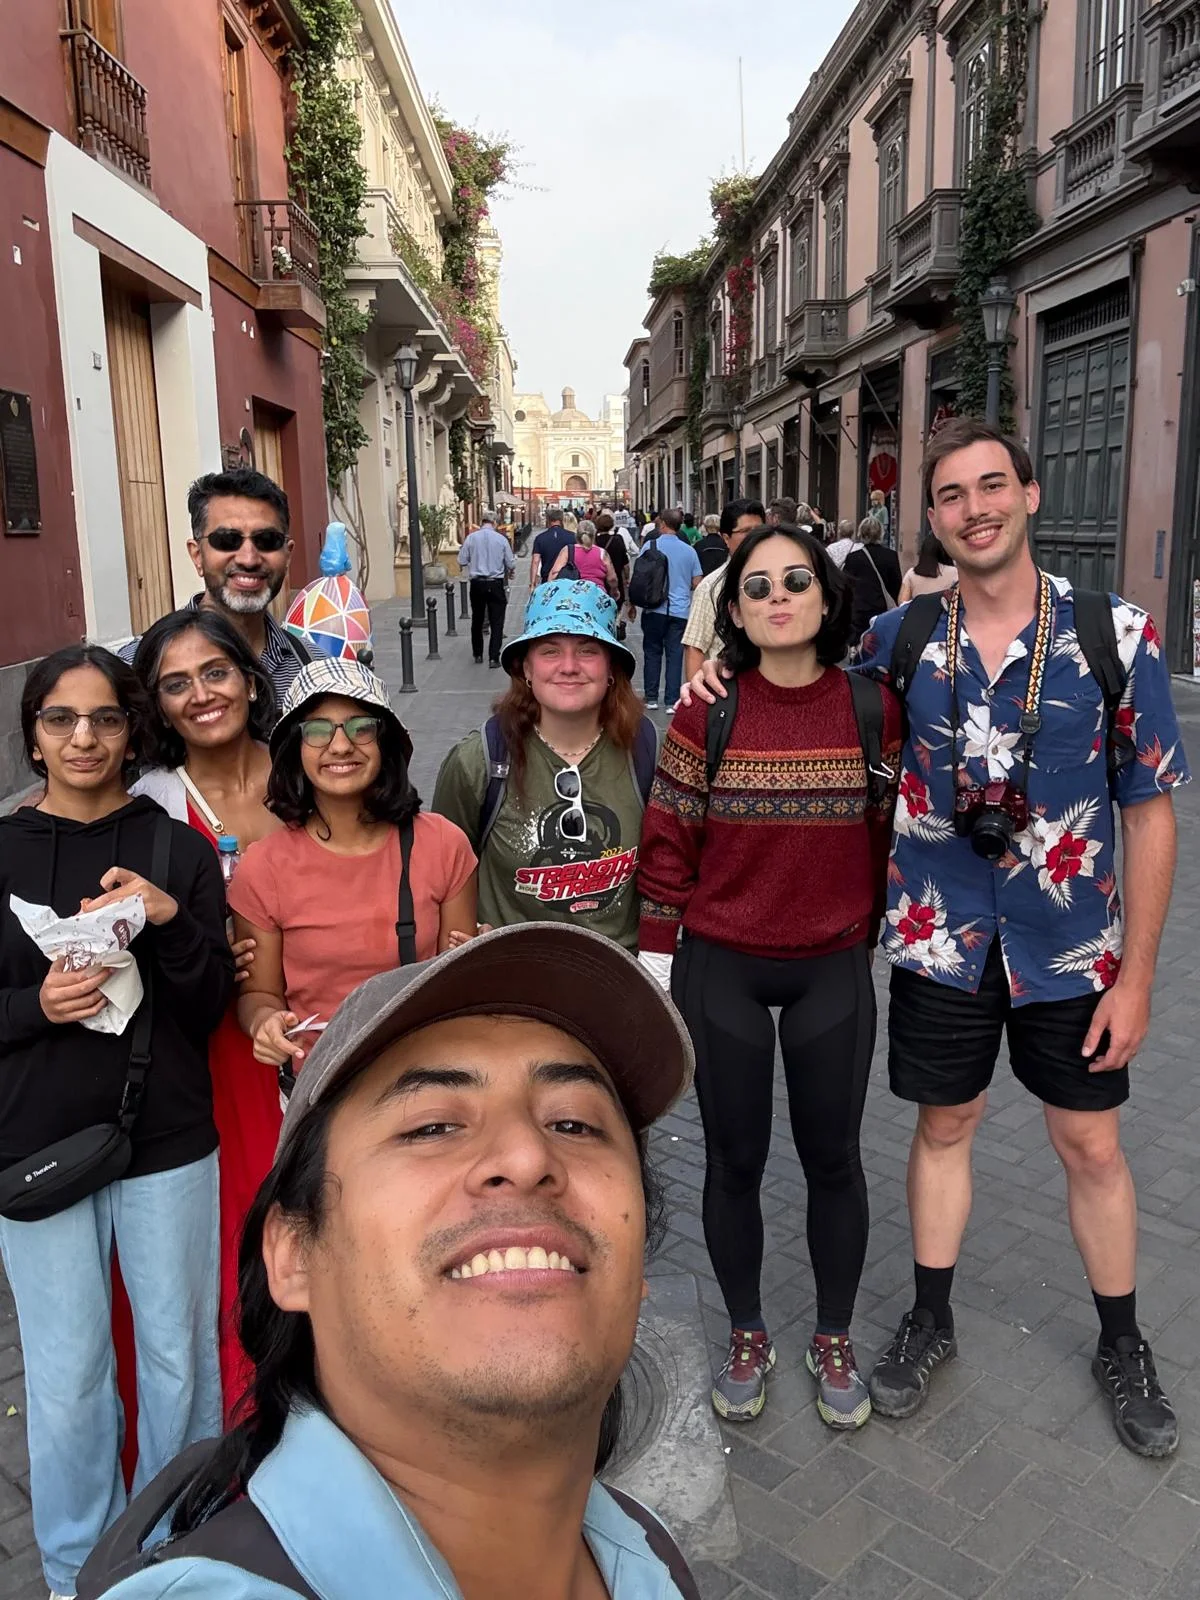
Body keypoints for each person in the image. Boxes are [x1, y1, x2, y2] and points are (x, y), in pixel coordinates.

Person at [82, 924, 701, 1600]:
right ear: (294, 1255)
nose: (528, 1157)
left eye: (575, 1124)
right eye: (433, 1126)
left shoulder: (651, 1557)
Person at [849, 418, 1189, 1457]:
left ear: (1030, 495)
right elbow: (801, 699)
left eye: (993, 485)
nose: (976, 509)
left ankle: (1122, 1342)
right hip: (939, 938)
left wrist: (1138, 978)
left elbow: (1150, 812)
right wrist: (711, 677)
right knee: (945, 1125)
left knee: (1091, 1143)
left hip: (1073, 948)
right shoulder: (899, 639)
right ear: (935, 517)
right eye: (952, 495)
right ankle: (932, 1317)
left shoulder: (1115, 635)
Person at [639, 527, 900, 1430]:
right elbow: (668, 837)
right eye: (756, 587)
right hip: (723, 966)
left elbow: (888, 825)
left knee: (835, 1159)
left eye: (796, 580)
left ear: (826, 598)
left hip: (832, 966)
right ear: (736, 613)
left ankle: (834, 1335)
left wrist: (871, 930)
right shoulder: (705, 711)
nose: (778, 597)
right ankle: (747, 1331)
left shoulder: (873, 708)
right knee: (734, 1161)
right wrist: (658, 955)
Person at [0, 644, 233, 1597]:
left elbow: (209, 1006)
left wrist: (171, 920)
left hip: (166, 1138)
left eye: (105, 718)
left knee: (179, 1359)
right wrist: (34, 1007)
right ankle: (74, 1572)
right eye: (61, 719)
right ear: (34, 736)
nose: (84, 737)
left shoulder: (176, 848)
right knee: (67, 1378)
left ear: (133, 731)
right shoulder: (2, 849)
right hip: (36, 1143)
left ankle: (171, 1552)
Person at [130, 608, 284, 1417]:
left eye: (216, 672)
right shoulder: (150, 807)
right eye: (176, 684)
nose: (201, 694)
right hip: (214, 1056)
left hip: (318, 1031)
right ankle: (241, 1422)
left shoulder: (311, 767)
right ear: (156, 706)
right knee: (240, 1235)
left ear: (250, 681)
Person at [229, 659, 477, 1083]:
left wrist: (474, 964)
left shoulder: (443, 845)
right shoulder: (263, 867)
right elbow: (259, 993)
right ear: (295, 748)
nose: (341, 746)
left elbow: (455, 983)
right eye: (318, 730)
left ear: (385, 741)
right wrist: (265, 1023)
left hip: (426, 1076)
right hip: (323, 1085)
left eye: (361, 728)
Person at [433, 582, 655, 952]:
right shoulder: (479, 762)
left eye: (587, 651)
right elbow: (443, 877)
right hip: (515, 976)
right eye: (550, 651)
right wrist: (467, 936)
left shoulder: (647, 752)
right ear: (526, 669)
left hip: (620, 976)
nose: (569, 667)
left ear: (611, 669)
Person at [119, 469, 310, 702]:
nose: (249, 559)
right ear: (197, 555)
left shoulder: (313, 667)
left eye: (267, 540)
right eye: (227, 540)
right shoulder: (132, 669)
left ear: (287, 555)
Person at [681, 498, 767, 682]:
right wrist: (695, 694)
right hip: (728, 687)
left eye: (759, 530)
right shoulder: (711, 587)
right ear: (726, 538)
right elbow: (695, 647)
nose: (755, 538)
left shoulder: (779, 582)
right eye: (746, 532)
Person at [638, 509, 703, 711]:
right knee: (675, 655)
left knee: (652, 652)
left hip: (654, 608)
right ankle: (671, 700)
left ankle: (651, 697)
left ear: (663, 524)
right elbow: (697, 582)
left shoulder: (649, 546)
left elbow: (640, 576)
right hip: (680, 610)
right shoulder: (689, 551)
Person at [458, 508, 516, 669]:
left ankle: (477, 654)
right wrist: (510, 569)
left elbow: (462, 560)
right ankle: (493, 658)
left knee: (477, 618)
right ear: (495, 522)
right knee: (497, 621)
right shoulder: (501, 539)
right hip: (495, 583)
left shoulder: (471, 538)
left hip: (477, 584)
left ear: (482, 522)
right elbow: (510, 563)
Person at [844, 515, 902, 647]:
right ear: (881, 533)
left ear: (861, 533)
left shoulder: (853, 557)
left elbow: (847, 585)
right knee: (880, 644)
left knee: (859, 646)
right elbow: (896, 586)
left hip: (859, 610)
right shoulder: (890, 556)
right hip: (881, 610)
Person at [551, 519, 617, 594]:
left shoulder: (567, 550)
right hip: (597, 594)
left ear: (576, 535)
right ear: (594, 535)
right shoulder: (602, 553)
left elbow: (554, 574)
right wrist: (615, 591)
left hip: (573, 594)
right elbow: (612, 579)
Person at [898, 531, 958, 603]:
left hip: (919, 609)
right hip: (943, 609)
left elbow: (902, 602)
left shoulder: (912, 573)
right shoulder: (954, 572)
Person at [529, 505, 574, 588]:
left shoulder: (540, 538)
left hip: (547, 579)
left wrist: (532, 583)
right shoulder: (572, 537)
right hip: (567, 579)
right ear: (561, 519)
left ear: (548, 520)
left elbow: (535, 561)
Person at [594, 511, 631, 610]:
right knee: (616, 608)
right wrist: (627, 578)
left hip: (599, 582)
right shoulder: (618, 540)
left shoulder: (594, 542)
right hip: (616, 582)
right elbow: (626, 564)